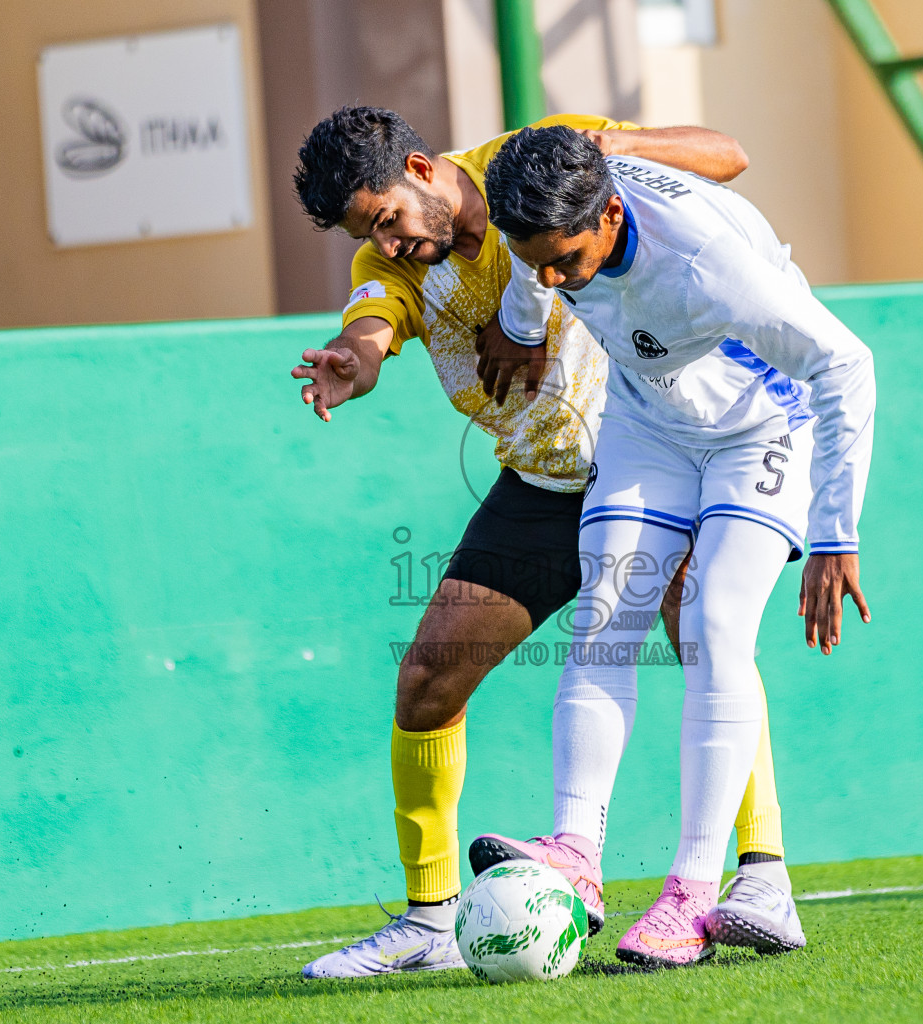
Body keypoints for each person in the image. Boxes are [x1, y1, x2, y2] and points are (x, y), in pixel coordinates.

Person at [290, 107, 798, 978]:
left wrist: (612, 148)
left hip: (656, 454)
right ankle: (429, 923)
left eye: (387, 217)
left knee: (704, 637)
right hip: (545, 483)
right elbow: (372, 323)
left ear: (420, 168)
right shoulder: (386, 263)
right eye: (368, 232)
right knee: (426, 681)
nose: (389, 242)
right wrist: (353, 356)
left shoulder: (540, 160)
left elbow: (730, 154)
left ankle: (755, 878)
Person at [469, 125, 876, 967]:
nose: (549, 277)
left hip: (762, 427)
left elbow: (845, 363)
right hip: (648, 425)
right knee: (603, 616)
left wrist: (836, 533)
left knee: (712, 624)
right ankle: (576, 856)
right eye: (531, 258)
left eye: (564, 261)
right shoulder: (551, 217)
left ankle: (693, 892)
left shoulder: (707, 266)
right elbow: (530, 269)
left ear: (611, 214)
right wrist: (521, 322)